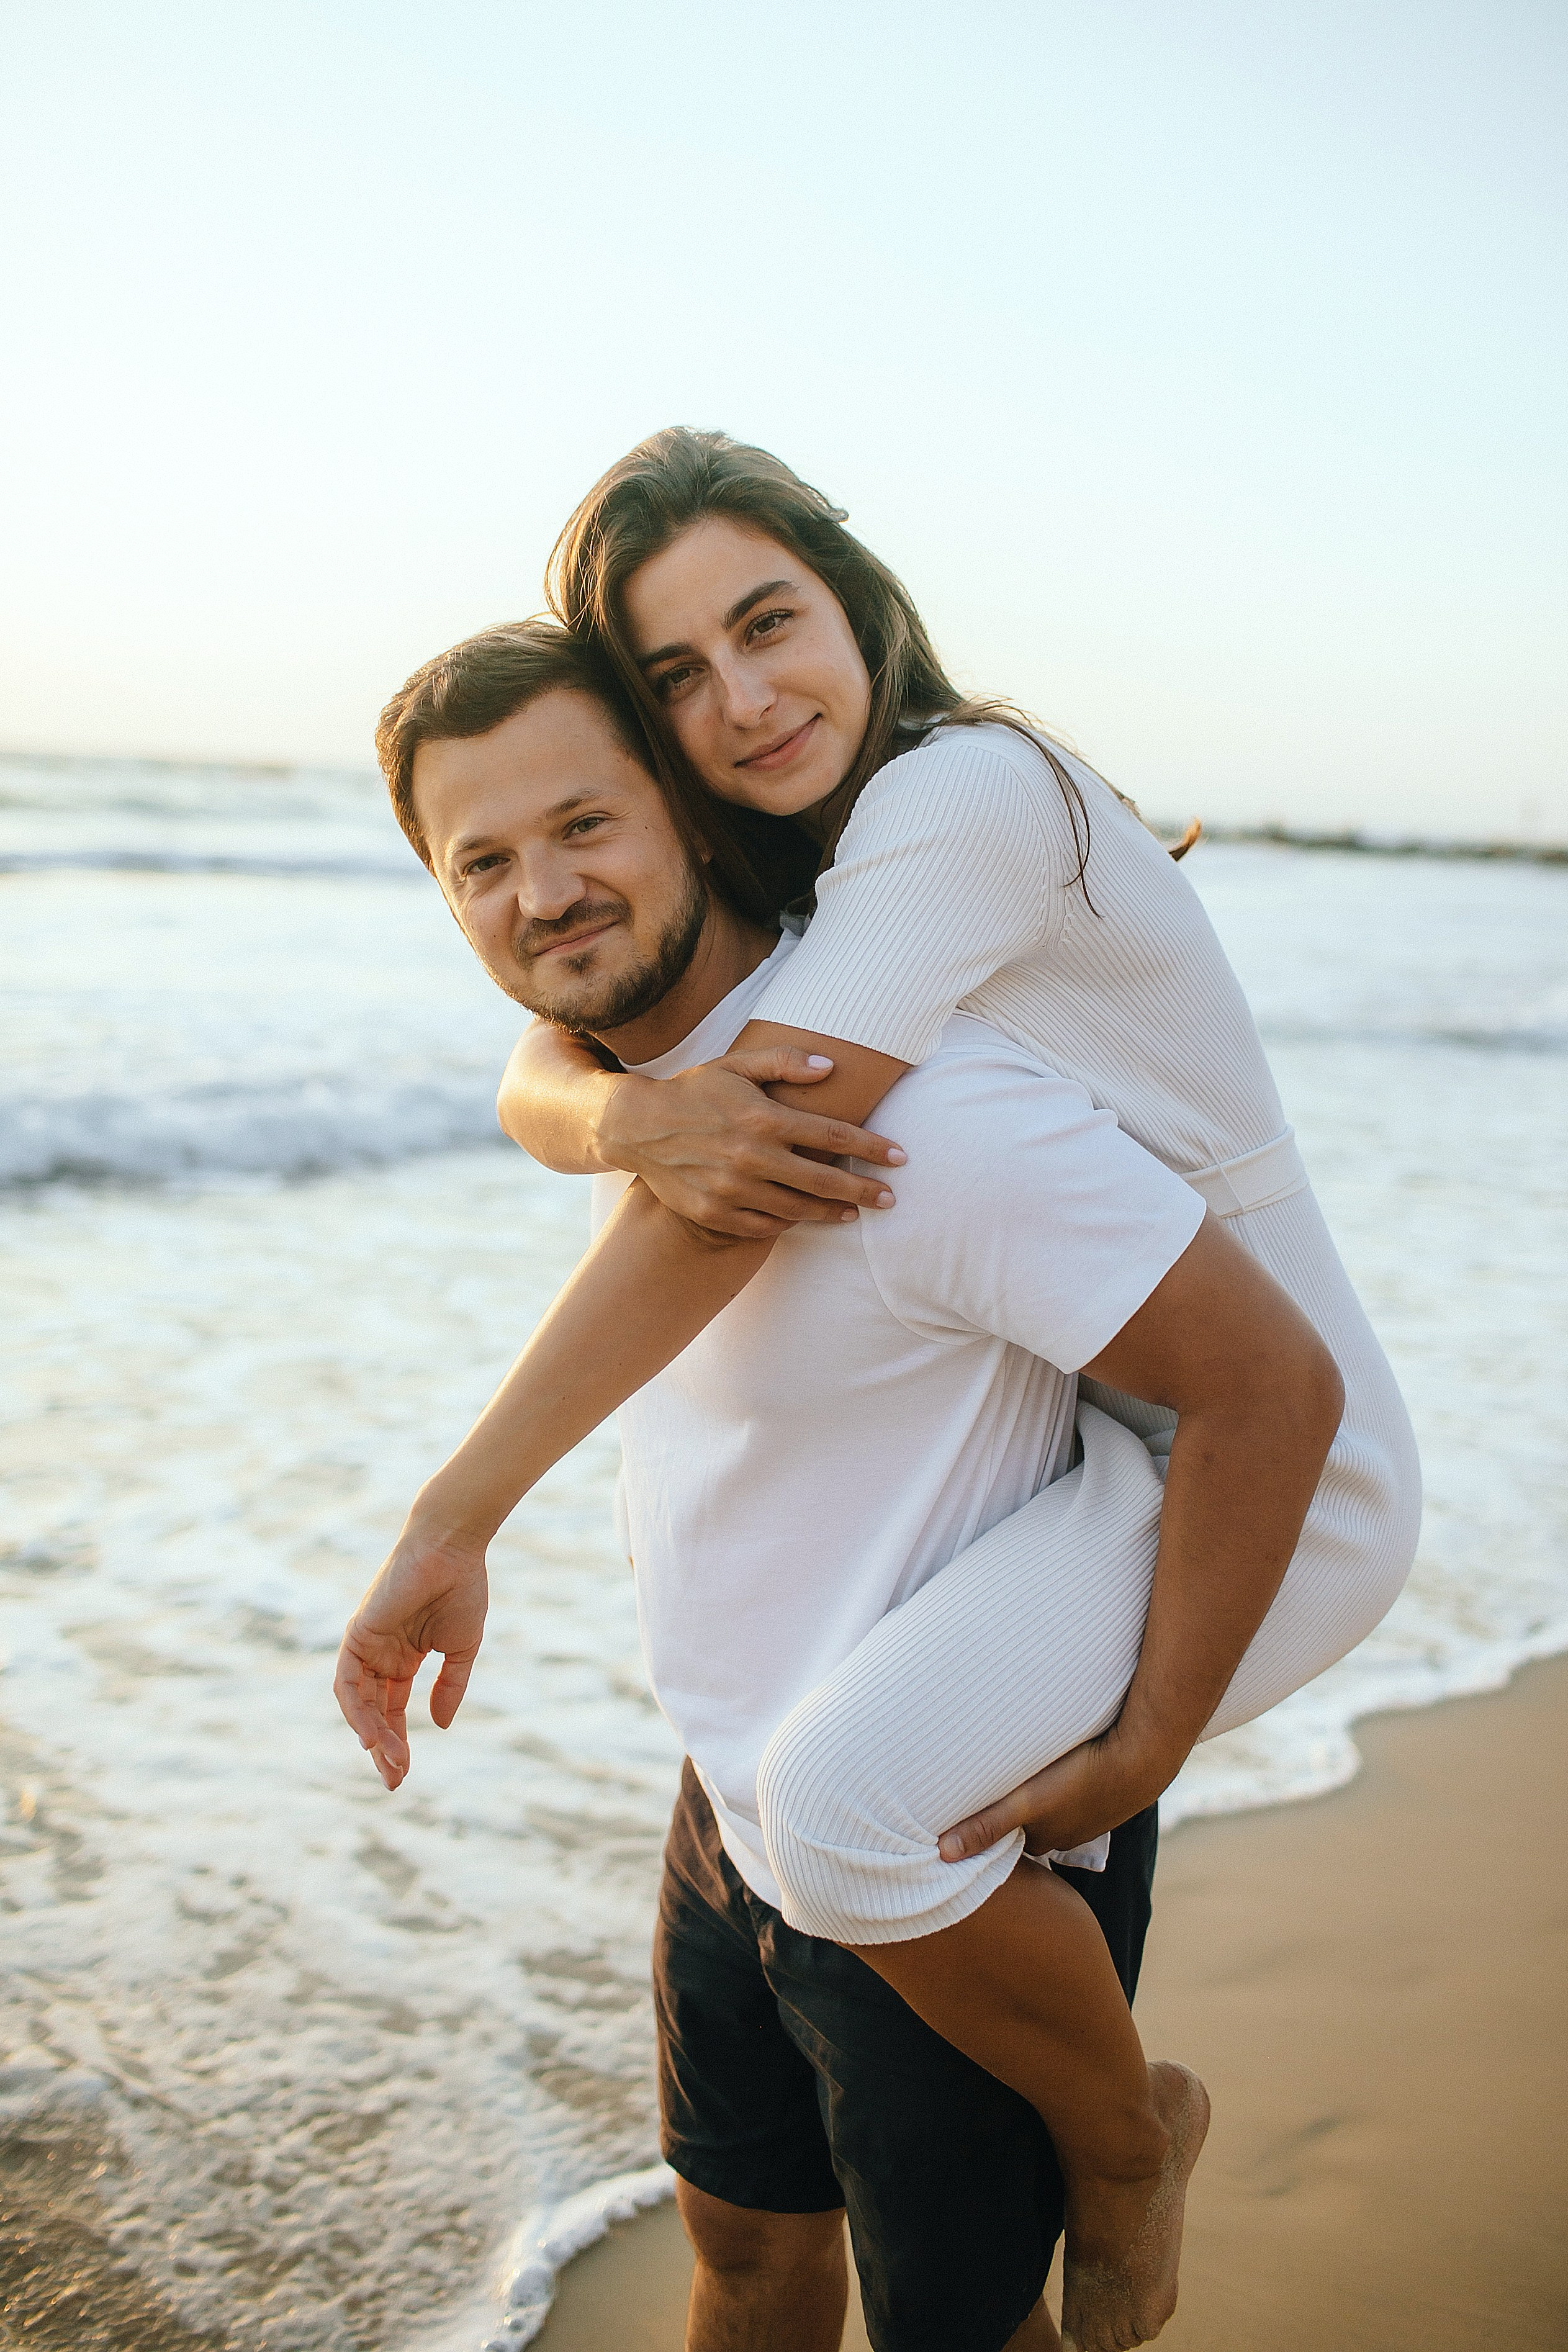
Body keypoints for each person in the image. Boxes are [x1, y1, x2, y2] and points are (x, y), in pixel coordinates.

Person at [336, 623, 1352, 2352]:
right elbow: (547, 1084)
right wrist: (605, 1121)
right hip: (725, 1794)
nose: (544, 893)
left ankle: (1132, 2132)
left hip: (935, 1833)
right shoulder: (661, 1095)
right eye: (480, 863)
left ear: (683, 806)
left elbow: (1271, 1387)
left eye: (585, 825)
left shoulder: (926, 1115)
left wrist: (1160, 1727)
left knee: (961, 2333)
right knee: (743, 2257)